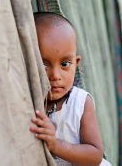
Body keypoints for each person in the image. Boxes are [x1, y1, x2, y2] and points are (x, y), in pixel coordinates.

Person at [29, 12, 111, 166]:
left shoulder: (80, 103)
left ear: (76, 63)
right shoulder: (30, 102)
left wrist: (56, 145)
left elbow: (95, 155)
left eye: (65, 64)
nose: (55, 75)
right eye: (44, 65)